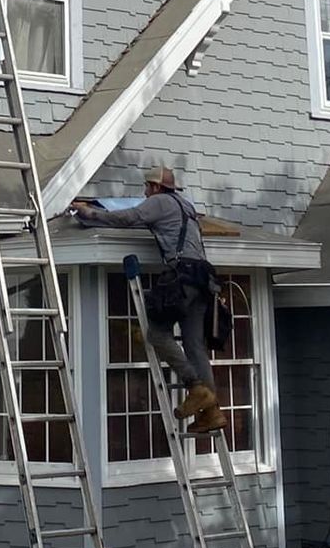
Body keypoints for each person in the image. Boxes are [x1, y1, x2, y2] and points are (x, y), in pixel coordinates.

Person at [71, 166, 226, 433]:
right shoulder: (186, 206)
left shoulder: (160, 201)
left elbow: (128, 218)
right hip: (204, 279)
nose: (144, 193)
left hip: (183, 276)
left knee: (157, 334)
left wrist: (90, 213)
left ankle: (195, 386)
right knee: (194, 346)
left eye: (146, 187)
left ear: (155, 187)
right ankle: (212, 412)